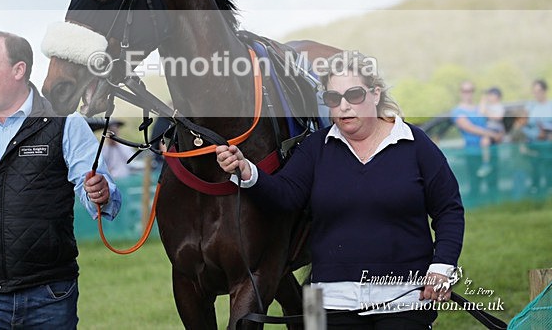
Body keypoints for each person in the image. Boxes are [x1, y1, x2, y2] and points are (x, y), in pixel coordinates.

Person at [216, 51, 464, 328]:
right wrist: (246, 171)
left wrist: (442, 267)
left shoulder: (415, 143)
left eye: (354, 95)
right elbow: (285, 195)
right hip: (329, 301)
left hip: (405, 298)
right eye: (333, 99)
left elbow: (449, 210)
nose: (344, 106)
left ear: (375, 94)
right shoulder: (315, 148)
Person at [0, 31, 122, 329]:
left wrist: (100, 193)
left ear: (19, 70)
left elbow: (97, 192)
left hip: (49, 296)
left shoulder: (66, 123)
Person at [452, 81, 502, 199]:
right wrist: (492, 134)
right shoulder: (458, 111)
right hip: (473, 152)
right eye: (465, 91)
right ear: (460, 92)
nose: (468, 93)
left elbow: (494, 119)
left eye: (470, 90)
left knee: (492, 182)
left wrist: (497, 134)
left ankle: (494, 205)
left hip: (490, 150)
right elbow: (469, 127)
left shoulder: (480, 108)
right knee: (475, 183)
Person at [518, 79, 552, 194]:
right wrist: (534, 135)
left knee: (548, 168)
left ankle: (550, 190)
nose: (536, 94)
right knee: (535, 169)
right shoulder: (530, 106)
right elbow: (522, 125)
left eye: (539, 91)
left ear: (545, 91)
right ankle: (535, 191)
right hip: (534, 143)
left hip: (548, 143)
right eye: (534, 91)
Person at [477, 87, 505, 178]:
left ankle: (487, 164)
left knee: (485, 141)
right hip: (489, 130)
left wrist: (487, 113)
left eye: (491, 94)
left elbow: (498, 117)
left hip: (496, 130)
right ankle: (486, 163)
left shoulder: (499, 106)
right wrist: (483, 100)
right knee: (485, 142)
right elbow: (481, 111)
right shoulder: (488, 106)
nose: (490, 97)